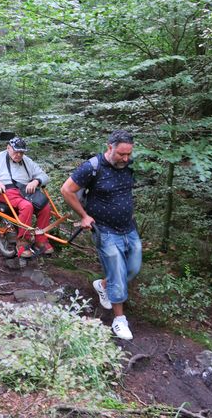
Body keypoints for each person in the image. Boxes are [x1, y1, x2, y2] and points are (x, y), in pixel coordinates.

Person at [60, 130, 141, 340]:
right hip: (104, 229)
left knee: (133, 268)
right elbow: (66, 190)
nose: (125, 158)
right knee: (117, 271)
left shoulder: (128, 165)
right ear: (109, 147)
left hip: (128, 227)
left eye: (128, 154)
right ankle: (119, 320)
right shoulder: (92, 167)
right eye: (121, 154)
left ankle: (103, 285)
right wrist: (84, 216)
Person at [0, 136, 54, 259]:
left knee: (45, 207)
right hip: (6, 192)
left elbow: (43, 175)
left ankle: (41, 240)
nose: (18, 155)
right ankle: (23, 242)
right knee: (26, 206)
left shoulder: (27, 161)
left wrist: (36, 181)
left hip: (25, 191)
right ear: (8, 148)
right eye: (15, 151)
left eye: (21, 152)